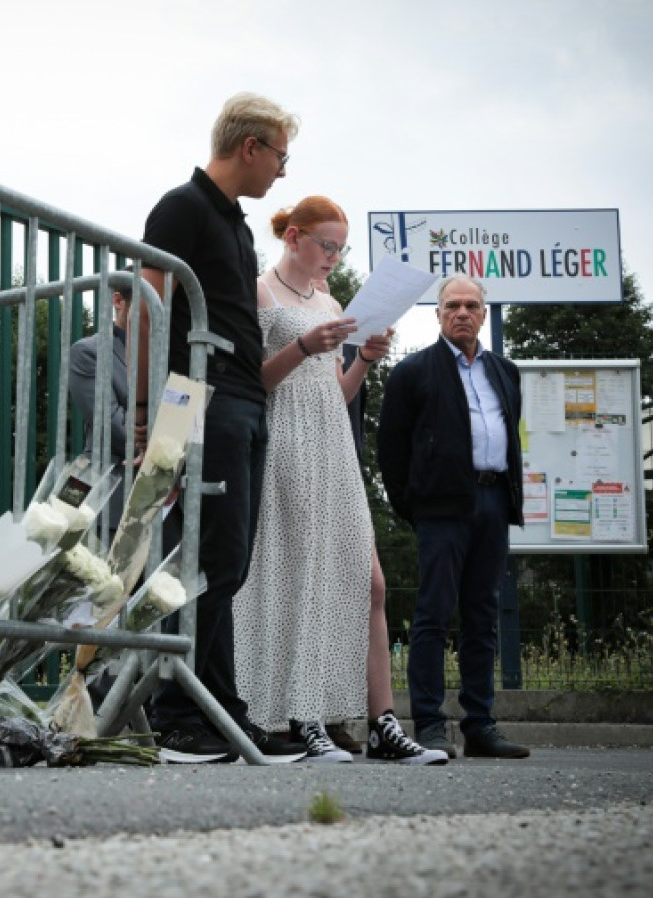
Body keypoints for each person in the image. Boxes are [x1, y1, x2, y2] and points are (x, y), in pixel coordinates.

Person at [234, 196, 447, 765]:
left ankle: (382, 723)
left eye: (340, 248)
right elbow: (248, 381)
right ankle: (303, 717)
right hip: (284, 441)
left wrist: (365, 359)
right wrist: (303, 345)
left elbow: (336, 391)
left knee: (369, 581)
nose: (333, 257)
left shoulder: (328, 299)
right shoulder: (260, 291)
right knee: (302, 578)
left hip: (332, 444)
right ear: (294, 237)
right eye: (326, 245)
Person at [134, 92, 305, 764]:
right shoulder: (182, 206)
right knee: (204, 557)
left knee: (225, 560)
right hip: (190, 397)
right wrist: (149, 412)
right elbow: (146, 307)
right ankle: (177, 716)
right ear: (251, 148)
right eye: (280, 158)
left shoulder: (235, 223)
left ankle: (221, 711)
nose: (282, 175)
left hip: (238, 398)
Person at [377, 274, 531, 760]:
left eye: (470, 305)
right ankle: (428, 723)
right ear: (438, 315)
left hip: (493, 502)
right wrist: (415, 505)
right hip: (440, 509)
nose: (461, 312)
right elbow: (391, 451)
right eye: (451, 306)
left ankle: (480, 725)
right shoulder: (413, 372)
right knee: (433, 615)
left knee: (482, 617)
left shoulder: (505, 371)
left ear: (484, 313)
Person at [67, 275, 132, 534]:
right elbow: (112, 423)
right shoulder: (88, 351)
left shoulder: (173, 356)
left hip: (166, 506)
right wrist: (167, 444)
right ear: (118, 300)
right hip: (104, 498)